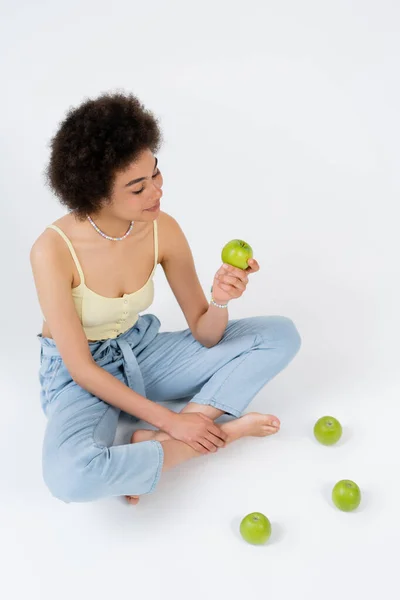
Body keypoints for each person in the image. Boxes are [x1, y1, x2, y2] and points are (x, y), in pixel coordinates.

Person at [30, 92, 302, 506]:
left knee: (280, 335)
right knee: (68, 477)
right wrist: (173, 422)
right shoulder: (52, 250)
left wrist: (220, 300)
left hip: (140, 351)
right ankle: (218, 434)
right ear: (95, 194)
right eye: (138, 188)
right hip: (76, 375)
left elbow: (206, 334)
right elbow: (82, 368)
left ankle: (156, 444)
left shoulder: (163, 229)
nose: (157, 191)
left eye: (156, 175)